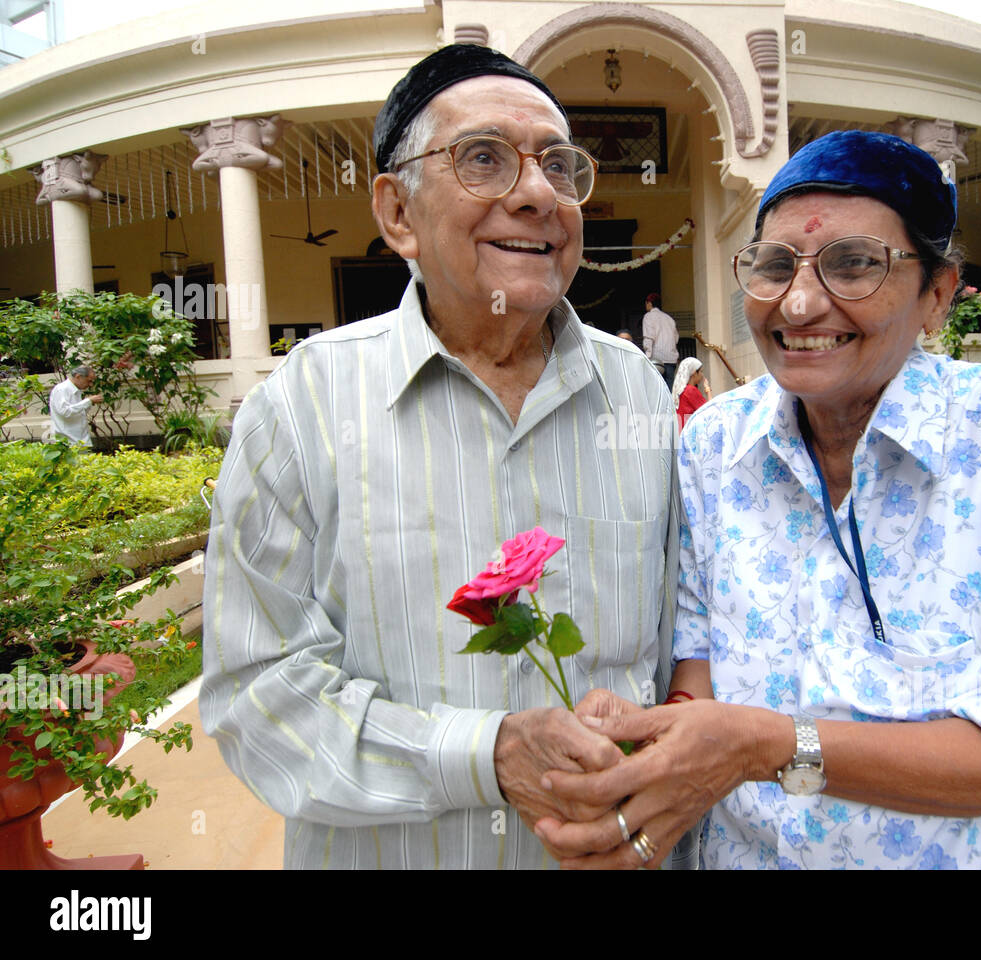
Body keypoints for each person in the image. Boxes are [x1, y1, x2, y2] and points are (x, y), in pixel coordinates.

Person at [533, 130, 981, 869]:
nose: (797, 302)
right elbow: (698, 651)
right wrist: (663, 740)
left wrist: (772, 746)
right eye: (774, 264)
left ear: (938, 295)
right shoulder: (717, 443)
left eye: (855, 264)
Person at [201, 44, 683, 870]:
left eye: (561, 168)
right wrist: (484, 755)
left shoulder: (638, 396)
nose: (537, 195)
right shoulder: (302, 408)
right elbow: (259, 698)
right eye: (483, 159)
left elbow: (672, 650)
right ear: (397, 214)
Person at [47, 365, 103, 447]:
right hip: (68, 442)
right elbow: (65, 412)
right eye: (89, 381)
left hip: (80, 440)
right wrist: (88, 401)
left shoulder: (76, 390)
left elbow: (77, 413)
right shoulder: (62, 389)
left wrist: (89, 403)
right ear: (78, 376)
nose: (90, 385)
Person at [642, 293, 679, 387]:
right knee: (670, 390)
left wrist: (648, 358)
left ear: (649, 303)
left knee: (657, 389)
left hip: (657, 360)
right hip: (671, 359)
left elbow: (649, 338)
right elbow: (676, 338)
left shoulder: (648, 316)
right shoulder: (669, 319)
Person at [671, 356, 711, 429]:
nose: (702, 375)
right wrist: (708, 390)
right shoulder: (690, 390)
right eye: (701, 371)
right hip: (690, 432)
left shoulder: (681, 390)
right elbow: (710, 410)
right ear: (694, 373)